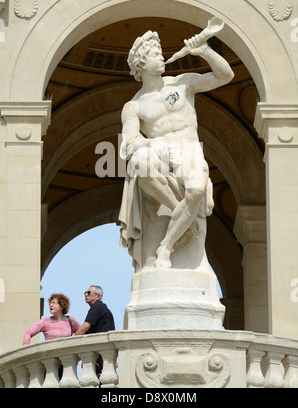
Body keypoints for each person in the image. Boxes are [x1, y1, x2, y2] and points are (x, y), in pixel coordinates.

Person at [119, 28, 234, 270]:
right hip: (159, 148)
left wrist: (204, 51)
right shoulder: (134, 106)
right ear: (141, 63)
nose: (161, 57)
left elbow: (225, 76)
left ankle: (166, 246)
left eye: (160, 53)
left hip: (187, 146)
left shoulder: (183, 82)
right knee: (139, 160)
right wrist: (145, 145)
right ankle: (180, 213)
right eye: (154, 54)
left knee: (195, 191)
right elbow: (129, 140)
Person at [74, 285, 115, 378]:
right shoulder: (104, 309)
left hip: (98, 352)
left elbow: (86, 325)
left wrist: (73, 337)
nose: (85, 294)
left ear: (97, 296)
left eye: (88, 293)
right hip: (105, 352)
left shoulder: (97, 307)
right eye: (85, 292)